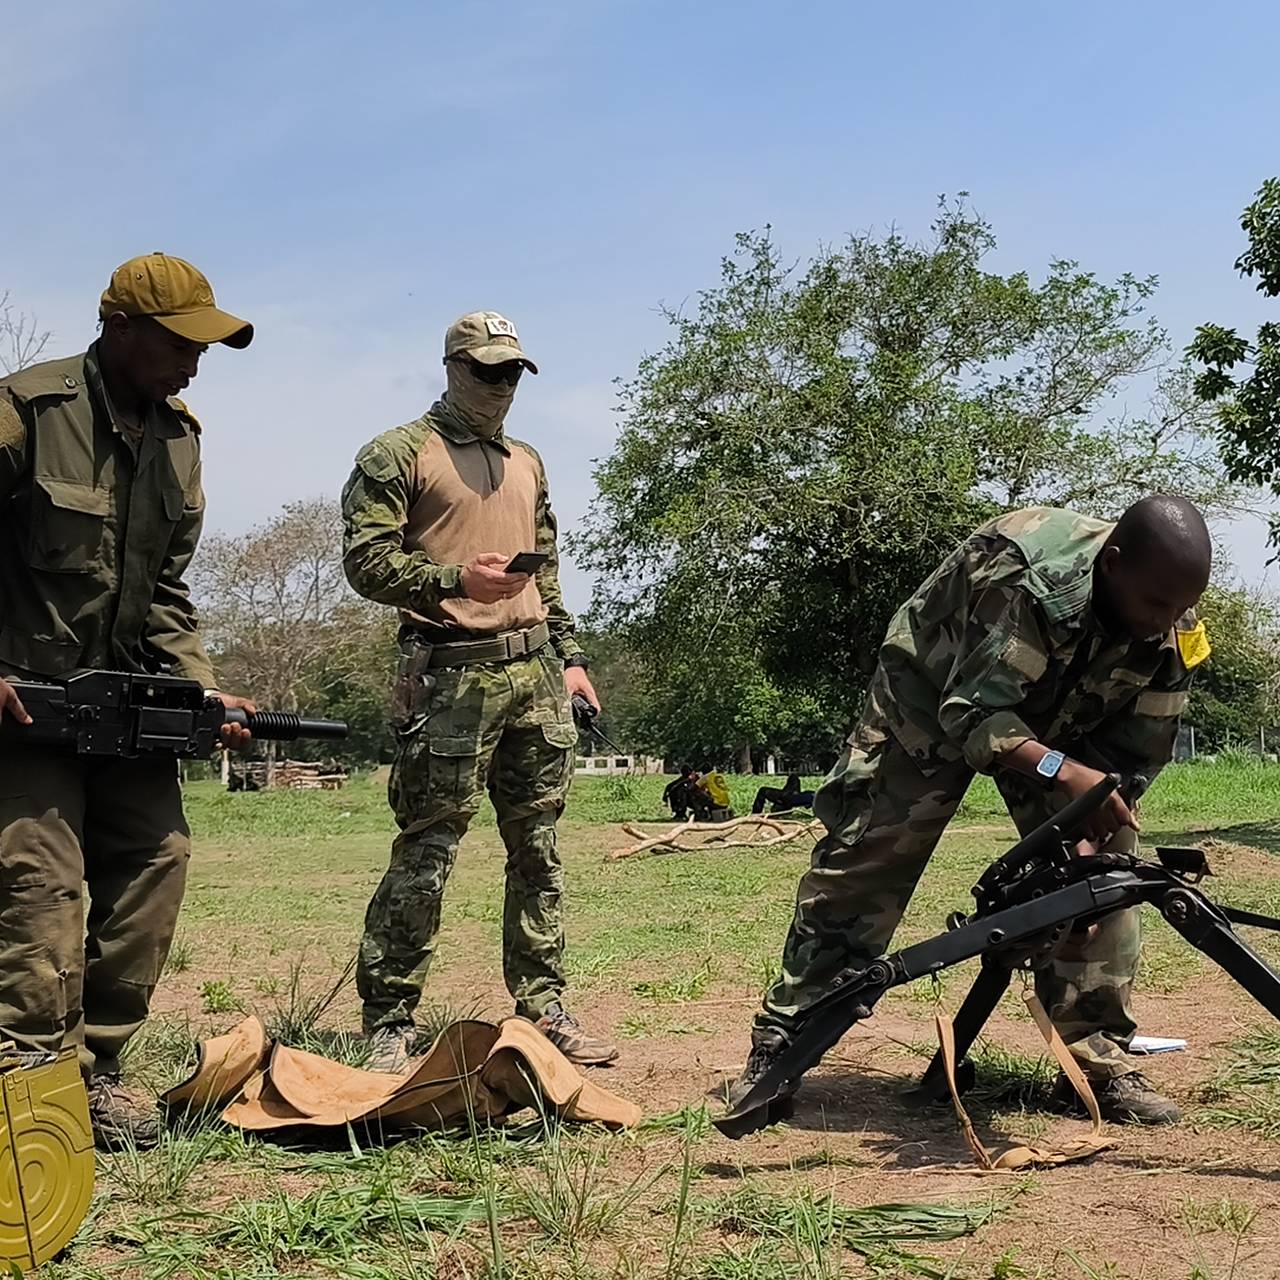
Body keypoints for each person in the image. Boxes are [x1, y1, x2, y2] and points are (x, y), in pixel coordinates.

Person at [730, 498, 1213, 1125]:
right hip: (934, 697)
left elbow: (1140, 748)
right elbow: (972, 713)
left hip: (1059, 718)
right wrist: (1062, 770)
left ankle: (1095, 1061)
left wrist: (1090, 837)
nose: (1164, 623)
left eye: (1179, 607)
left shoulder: (1171, 612)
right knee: (869, 857)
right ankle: (785, 1040)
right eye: (1155, 605)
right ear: (1113, 564)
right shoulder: (1024, 576)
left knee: (1107, 868)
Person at [0, 253, 257, 1148]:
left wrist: (198, 691)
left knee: (159, 857)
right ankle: (28, 1082)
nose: (194, 363)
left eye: (203, 348)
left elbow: (165, 593)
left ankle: (96, 1068)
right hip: (25, 711)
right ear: (119, 330)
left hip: (126, 709)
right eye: (180, 344)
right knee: (40, 887)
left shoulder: (179, 439)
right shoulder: (28, 413)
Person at [342, 310, 618, 1071]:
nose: (500, 385)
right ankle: (389, 1020)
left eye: (512, 372)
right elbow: (365, 563)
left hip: (534, 673)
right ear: (452, 368)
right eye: (486, 370)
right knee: (428, 851)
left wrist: (570, 658)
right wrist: (452, 579)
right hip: (450, 672)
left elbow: (546, 571)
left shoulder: (527, 460)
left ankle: (544, 1009)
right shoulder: (398, 453)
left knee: (539, 849)